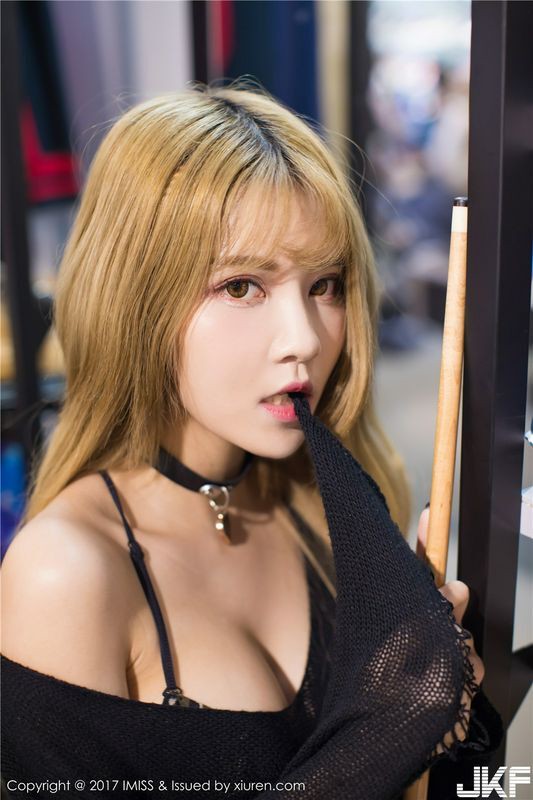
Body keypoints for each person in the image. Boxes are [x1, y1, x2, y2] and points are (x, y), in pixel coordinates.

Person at [1, 84, 502, 800]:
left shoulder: (325, 506)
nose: (305, 339)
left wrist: (438, 713)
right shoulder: (65, 575)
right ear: (133, 300)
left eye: (325, 285)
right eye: (241, 287)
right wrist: (382, 735)